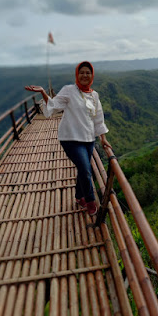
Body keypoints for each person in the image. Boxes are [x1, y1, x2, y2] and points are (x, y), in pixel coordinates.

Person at [25, 61, 111, 216]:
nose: (85, 75)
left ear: (92, 75)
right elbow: (55, 105)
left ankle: (79, 196)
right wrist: (44, 92)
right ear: (77, 74)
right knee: (85, 168)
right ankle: (90, 201)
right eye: (82, 72)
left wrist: (103, 138)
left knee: (83, 168)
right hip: (70, 138)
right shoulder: (69, 90)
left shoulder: (94, 95)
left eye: (88, 72)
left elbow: (98, 118)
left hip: (88, 139)